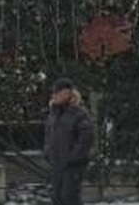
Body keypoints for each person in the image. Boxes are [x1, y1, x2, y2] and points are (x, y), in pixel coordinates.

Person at [43, 77, 95, 205]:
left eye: (57, 92)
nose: (54, 95)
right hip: (57, 163)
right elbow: (48, 135)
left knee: (69, 197)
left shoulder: (78, 113)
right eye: (53, 92)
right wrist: (47, 152)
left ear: (67, 94)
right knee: (57, 197)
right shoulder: (53, 114)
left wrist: (72, 157)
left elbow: (86, 137)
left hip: (74, 165)